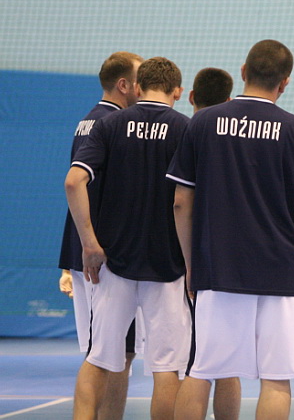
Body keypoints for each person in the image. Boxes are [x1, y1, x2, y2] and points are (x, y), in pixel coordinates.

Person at [168, 40, 294, 420]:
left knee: (201, 370)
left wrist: (192, 264)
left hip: (218, 269)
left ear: (243, 71)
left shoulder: (203, 124)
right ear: (285, 82)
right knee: (276, 379)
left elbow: (180, 203)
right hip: (281, 274)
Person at [65, 57, 192, 420]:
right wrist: (192, 263)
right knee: (166, 367)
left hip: (114, 263)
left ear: (138, 87)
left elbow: (74, 181)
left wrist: (89, 244)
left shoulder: (110, 124)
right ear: (177, 91)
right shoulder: (185, 129)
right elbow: (183, 202)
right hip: (166, 265)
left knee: (99, 358)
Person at [58, 51, 142, 420]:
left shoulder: (89, 120)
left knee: (116, 353)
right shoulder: (112, 124)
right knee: (106, 353)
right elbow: (76, 184)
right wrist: (91, 244)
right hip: (101, 254)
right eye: (140, 81)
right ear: (124, 85)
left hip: (90, 249)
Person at [187, 67, 241, 420]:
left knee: (196, 363)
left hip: (186, 263)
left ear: (191, 96)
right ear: (228, 100)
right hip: (226, 261)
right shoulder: (232, 142)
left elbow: (180, 203)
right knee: (226, 360)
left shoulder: (188, 132)